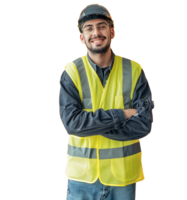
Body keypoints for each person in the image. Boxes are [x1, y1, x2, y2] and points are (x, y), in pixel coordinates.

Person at [58, 3, 155, 200]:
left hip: (123, 179)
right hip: (82, 180)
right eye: (89, 28)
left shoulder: (135, 70)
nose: (96, 32)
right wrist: (124, 114)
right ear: (81, 37)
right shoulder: (71, 72)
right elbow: (72, 124)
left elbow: (144, 125)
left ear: (113, 32)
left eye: (102, 26)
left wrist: (90, 125)